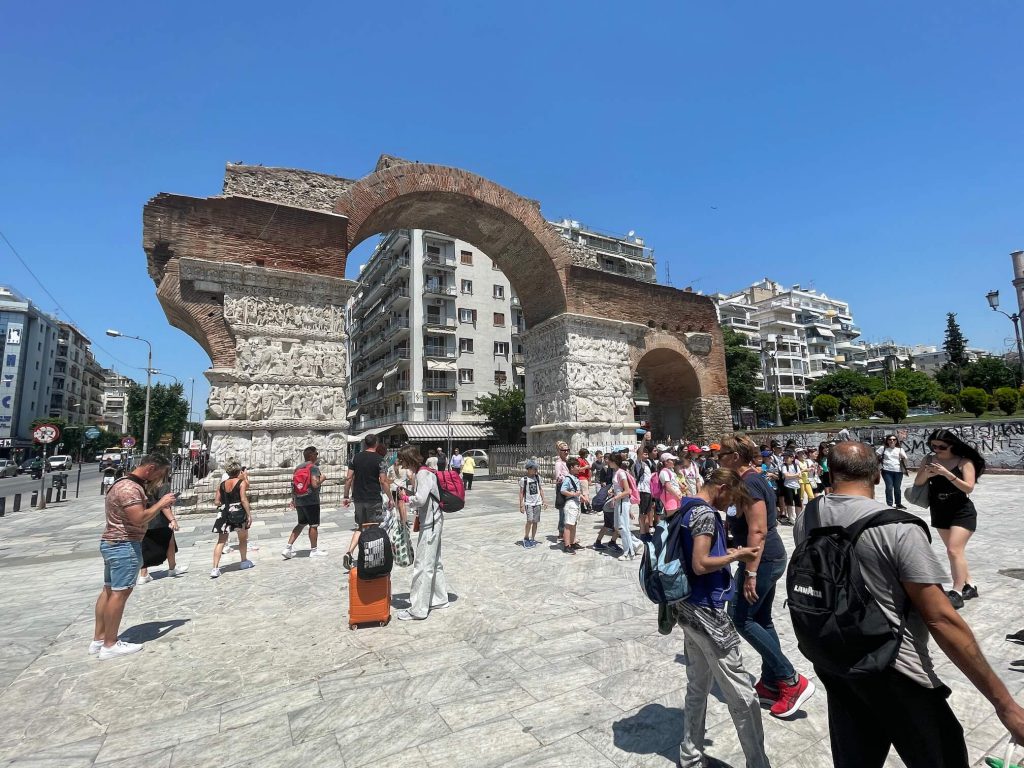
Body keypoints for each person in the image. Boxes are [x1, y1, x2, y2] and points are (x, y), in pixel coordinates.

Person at [794, 441, 1024, 767]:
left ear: (828, 471)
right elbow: (942, 619)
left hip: (836, 659)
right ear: (876, 475)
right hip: (897, 671)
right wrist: (1005, 705)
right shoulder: (897, 527)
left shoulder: (808, 516)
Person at [674, 468, 769, 768]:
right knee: (742, 695)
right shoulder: (704, 514)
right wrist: (736, 557)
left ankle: (690, 755)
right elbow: (701, 564)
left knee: (697, 686)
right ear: (723, 487)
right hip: (708, 612)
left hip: (686, 608)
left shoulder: (686, 506)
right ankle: (758, 763)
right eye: (732, 497)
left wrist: (726, 550)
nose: (731, 505)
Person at [718, 435, 815, 719]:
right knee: (760, 618)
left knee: (740, 617)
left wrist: (750, 572)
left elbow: (758, 530)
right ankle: (771, 682)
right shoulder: (747, 481)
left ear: (735, 456)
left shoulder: (750, 483)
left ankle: (790, 680)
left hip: (762, 558)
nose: (718, 458)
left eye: (722, 454)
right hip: (762, 557)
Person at [90, 453, 176, 660]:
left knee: (109, 591)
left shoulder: (121, 483)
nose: (160, 480)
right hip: (124, 545)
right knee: (119, 594)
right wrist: (161, 503)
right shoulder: (130, 489)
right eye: (160, 474)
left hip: (112, 542)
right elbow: (139, 518)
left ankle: (99, 639)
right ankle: (110, 644)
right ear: (150, 469)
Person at [913, 428, 985, 609]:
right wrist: (926, 474)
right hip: (939, 510)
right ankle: (970, 585)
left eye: (941, 446)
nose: (936, 449)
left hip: (962, 511)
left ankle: (956, 592)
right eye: (933, 445)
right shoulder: (928, 460)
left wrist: (947, 473)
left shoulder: (964, 462)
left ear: (952, 445)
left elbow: (968, 488)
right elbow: (918, 483)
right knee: (955, 552)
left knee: (953, 550)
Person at [397, 445, 449, 620]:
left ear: (409, 459)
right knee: (435, 562)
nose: (402, 465)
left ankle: (418, 608)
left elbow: (420, 499)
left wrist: (405, 498)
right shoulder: (425, 472)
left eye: (403, 461)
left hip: (430, 523)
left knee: (423, 565)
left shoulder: (422, 473)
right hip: (434, 521)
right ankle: (440, 598)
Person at [210, 461, 254, 578]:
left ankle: (215, 568)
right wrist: (249, 514)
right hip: (238, 511)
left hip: (224, 512)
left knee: (221, 541)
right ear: (238, 471)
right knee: (243, 538)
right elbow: (244, 499)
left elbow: (216, 502)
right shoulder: (241, 483)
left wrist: (225, 503)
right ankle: (244, 561)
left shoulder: (222, 485)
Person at [138, 475, 185, 583]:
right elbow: (164, 505)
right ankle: (172, 568)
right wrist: (172, 520)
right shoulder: (163, 485)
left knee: (144, 546)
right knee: (170, 542)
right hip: (159, 519)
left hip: (145, 518)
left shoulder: (143, 484)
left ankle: (143, 574)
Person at [282, 446, 327, 559]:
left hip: (299, 500)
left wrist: (294, 500)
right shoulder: (313, 467)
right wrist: (323, 478)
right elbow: (315, 484)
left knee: (301, 523)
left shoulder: (298, 468)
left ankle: (288, 548)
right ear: (311, 455)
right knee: (313, 525)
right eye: (316, 453)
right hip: (311, 500)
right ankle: (314, 550)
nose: (317, 455)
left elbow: (293, 485)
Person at [606, 453, 642, 562]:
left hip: (622, 502)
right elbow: (619, 487)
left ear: (614, 461)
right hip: (619, 502)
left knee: (623, 527)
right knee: (618, 526)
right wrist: (613, 491)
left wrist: (616, 497)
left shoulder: (621, 473)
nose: (607, 462)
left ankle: (629, 553)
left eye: (609, 460)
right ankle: (635, 543)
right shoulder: (616, 472)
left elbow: (627, 491)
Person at [559, 457, 585, 553]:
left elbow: (576, 491)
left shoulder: (575, 478)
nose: (579, 467)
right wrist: (573, 494)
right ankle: (567, 545)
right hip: (571, 504)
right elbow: (563, 490)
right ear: (571, 467)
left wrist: (581, 497)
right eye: (577, 466)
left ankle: (573, 543)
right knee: (568, 525)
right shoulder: (568, 478)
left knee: (573, 524)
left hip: (576, 503)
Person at [877, 435, 909, 510]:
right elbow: (876, 456)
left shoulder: (900, 449)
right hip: (887, 471)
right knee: (889, 487)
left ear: (896, 441)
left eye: (894, 439)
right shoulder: (883, 448)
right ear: (887, 441)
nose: (892, 441)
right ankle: (889, 504)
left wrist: (903, 457)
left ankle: (898, 504)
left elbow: (906, 460)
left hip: (898, 471)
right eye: (890, 439)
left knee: (897, 488)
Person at [519, 460, 544, 548]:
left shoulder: (538, 478)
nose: (536, 470)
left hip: (538, 502)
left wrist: (544, 500)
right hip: (528, 503)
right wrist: (521, 504)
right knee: (529, 520)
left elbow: (540, 489)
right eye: (534, 469)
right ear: (529, 469)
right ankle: (526, 537)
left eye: (536, 469)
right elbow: (521, 492)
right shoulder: (524, 479)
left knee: (535, 521)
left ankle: (533, 538)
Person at [633, 446, 655, 535]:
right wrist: (644, 439)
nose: (646, 456)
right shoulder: (639, 463)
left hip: (648, 491)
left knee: (647, 512)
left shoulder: (647, 463)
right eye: (644, 454)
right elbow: (640, 450)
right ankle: (642, 532)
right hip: (643, 491)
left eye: (647, 454)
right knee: (642, 513)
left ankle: (646, 531)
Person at [778, 451, 801, 525]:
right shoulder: (783, 466)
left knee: (798, 503)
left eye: (787, 457)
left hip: (797, 486)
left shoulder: (796, 465)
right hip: (788, 486)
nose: (785, 459)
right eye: (784, 457)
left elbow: (799, 475)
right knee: (789, 503)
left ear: (792, 458)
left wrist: (792, 475)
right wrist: (795, 475)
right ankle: (791, 518)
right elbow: (786, 476)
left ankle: (798, 518)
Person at [554, 441, 570, 538]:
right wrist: (567, 478)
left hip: (569, 488)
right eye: (563, 450)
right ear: (559, 451)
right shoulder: (558, 463)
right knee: (563, 511)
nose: (566, 452)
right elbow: (558, 477)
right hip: (562, 488)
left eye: (567, 450)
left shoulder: (567, 462)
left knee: (568, 510)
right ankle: (561, 531)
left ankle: (566, 531)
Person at [577, 448, 592, 514]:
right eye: (586, 454)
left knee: (583, 493)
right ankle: (588, 506)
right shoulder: (580, 460)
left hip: (585, 478)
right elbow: (578, 469)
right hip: (582, 478)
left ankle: (582, 508)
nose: (587, 455)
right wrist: (586, 467)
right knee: (586, 494)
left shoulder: (584, 460)